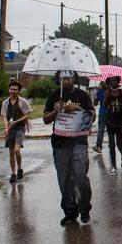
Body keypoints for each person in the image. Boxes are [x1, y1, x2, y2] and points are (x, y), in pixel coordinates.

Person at [43, 70, 96, 225]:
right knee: (64, 180)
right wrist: (56, 110)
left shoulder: (83, 96)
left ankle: (85, 209)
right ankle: (70, 211)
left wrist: (76, 109)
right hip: (60, 144)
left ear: (74, 79)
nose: (65, 81)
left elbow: (92, 117)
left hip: (79, 142)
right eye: (62, 78)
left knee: (80, 176)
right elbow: (46, 119)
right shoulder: (54, 95)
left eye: (68, 78)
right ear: (58, 79)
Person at [0, 81, 33, 183]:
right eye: (11, 89)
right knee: (11, 152)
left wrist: (16, 122)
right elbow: (4, 117)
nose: (12, 91)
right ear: (8, 90)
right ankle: (13, 173)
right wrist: (6, 128)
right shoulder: (5, 103)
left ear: (18, 91)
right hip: (10, 129)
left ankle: (19, 168)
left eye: (15, 90)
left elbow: (28, 114)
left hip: (20, 127)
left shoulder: (22, 101)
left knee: (16, 150)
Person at [104, 76, 122, 175]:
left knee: (119, 144)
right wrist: (107, 96)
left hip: (120, 121)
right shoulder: (107, 92)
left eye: (114, 81)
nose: (113, 82)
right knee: (111, 144)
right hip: (109, 121)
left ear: (118, 81)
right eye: (111, 81)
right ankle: (114, 166)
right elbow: (104, 105)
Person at [92, 80, 109, 153]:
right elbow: (95, 104)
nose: (104, 84)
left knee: (110, 131)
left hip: (111, 114)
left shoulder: (111, 91)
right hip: (102, 114)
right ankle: (98, 146)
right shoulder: (99, 92)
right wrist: (95, 98)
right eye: (103, 83)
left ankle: (111, 145)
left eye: (106, 83)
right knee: (101, 130)